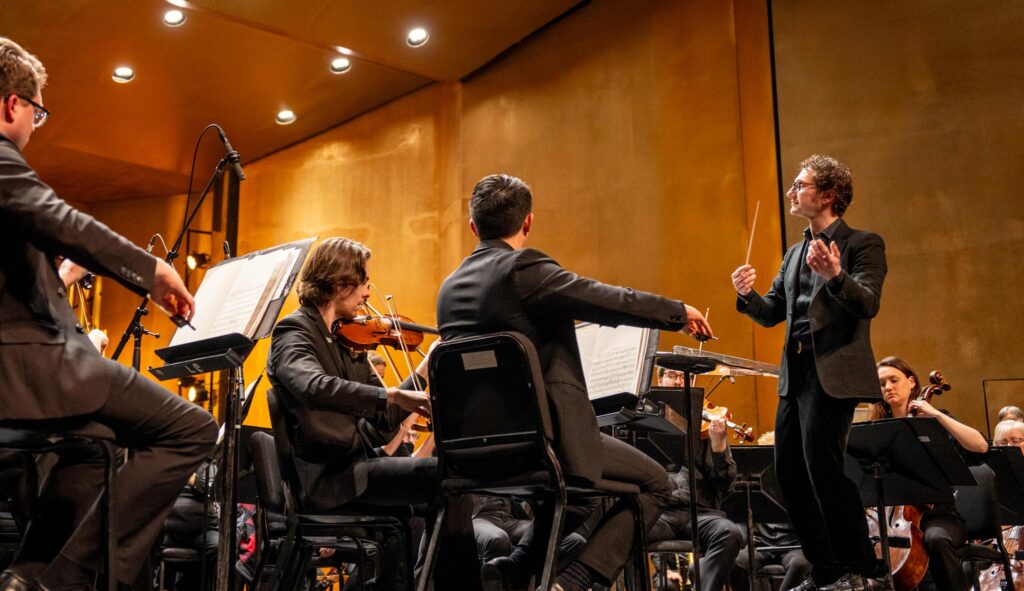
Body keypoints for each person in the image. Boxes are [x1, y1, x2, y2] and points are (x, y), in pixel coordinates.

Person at [0, 37, 217, 591]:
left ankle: (27, 578)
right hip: (31, 367)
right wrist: (154, 271)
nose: (35, 123)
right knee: (193, 428)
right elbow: (63, 220)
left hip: (28, 368)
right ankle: (63, 580)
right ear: (12, 105)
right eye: (39, 111)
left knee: (95, 447)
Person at [437, 173, 713, 591]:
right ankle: (574, 581)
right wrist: (678, 311)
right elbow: (604, 299)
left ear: (473, 227)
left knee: (579, 496)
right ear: (528, 222)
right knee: (654, 483)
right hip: (545, 443)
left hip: (473, 451)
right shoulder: (521, 269)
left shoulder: (449, 288)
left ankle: (511, 571)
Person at [264, 237, 482, 590]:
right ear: (339, 284)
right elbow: (313, 385)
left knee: (445, 479)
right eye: (364, 282)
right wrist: (390, 396)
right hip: (327, 480)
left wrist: (424, 370)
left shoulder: (348, 341)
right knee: (446, 479)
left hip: (357, 468)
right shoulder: (294, 331)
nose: (368, 292)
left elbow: (382, 418)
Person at [731, 154, 888, 590]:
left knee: (825, 471)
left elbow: (868, 303)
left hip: (831, 374)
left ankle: (862, 570)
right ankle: (828, 572)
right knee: (789, 475)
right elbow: (772, 311)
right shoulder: (795, 251)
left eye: (799, 184)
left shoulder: (863, 244)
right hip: (795, 374)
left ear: (828, 194)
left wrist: (837, 275)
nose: (791, 192)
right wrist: (746, 296)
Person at [868, 356, 987, 590]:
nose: (888, 387)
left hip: (941, 517)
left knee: (936, 539)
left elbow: (980, 446)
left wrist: (937, 416)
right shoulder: (878, 428)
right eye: (882, 384)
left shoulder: (933, 419)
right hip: (893, 517)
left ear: (911, 382)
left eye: (894, 380)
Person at [648, 367, 742, 591]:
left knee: (730, 533)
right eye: (672, 375)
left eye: (686, 376)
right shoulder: (647, 423)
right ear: (660, 380)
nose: (680, 381)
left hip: (702, 514)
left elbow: (726, 484)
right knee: (624, 526)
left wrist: (719, 446)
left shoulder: (708, 426)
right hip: (661, 512)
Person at [729, 431, 811, 591]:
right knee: (734, 563)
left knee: (800, 564)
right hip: (761, 546)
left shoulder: (801, 480)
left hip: (794, 546)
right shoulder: (753, 481)